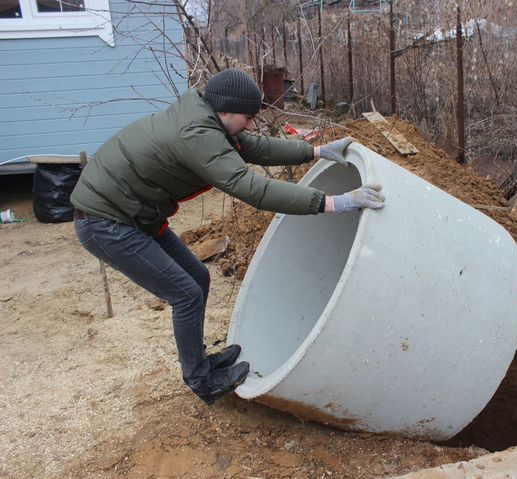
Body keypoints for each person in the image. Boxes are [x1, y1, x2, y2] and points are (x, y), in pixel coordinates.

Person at [70, 69, 385, 405]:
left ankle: (199, 361)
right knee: (186, 293)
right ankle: (201, 380)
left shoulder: (205, 118)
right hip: (107, 223)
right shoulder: (196, 134)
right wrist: (333, 202)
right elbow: (252, 188)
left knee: (197, 277)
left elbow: (253, 147)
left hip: (132, 215)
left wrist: (317, 152)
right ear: (225, 110)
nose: (251, 124)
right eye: (248, 117)